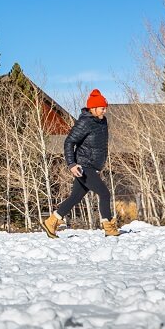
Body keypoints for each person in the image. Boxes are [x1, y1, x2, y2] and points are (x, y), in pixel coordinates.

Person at [42, 89, 120, 238]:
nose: (105, 110)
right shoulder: (85, 122)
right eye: (102, 108)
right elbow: (69, 142)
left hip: (93, 165)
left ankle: (52, 221)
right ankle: (109, 227)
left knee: (76, 197)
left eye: (105, 108)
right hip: (83, 166)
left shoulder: (102, 121)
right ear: (93, 108)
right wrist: (71, 164)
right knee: (104, 193)